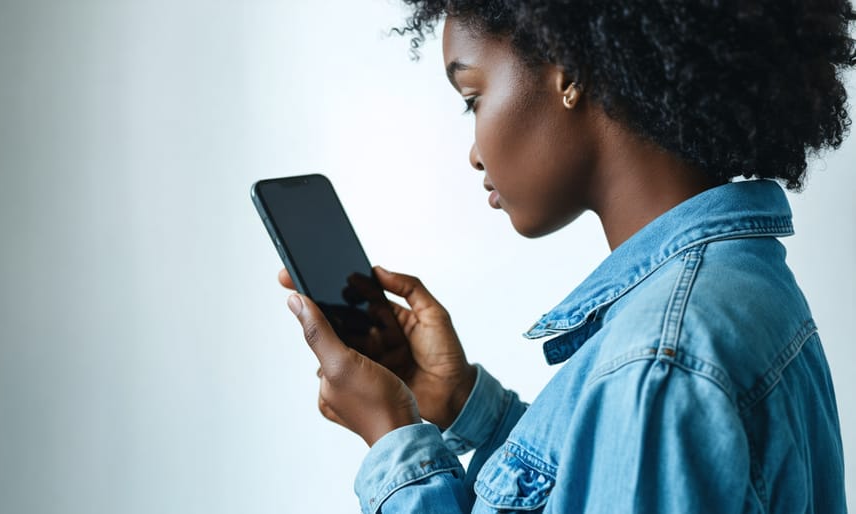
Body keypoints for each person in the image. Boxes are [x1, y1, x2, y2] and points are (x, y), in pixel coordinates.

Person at [279, 1, 854, 512]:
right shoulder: (741, 283)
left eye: (472, 100)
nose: (475, 154)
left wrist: (392, 438)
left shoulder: (655, 369)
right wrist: (459, 402)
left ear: (569, 70)